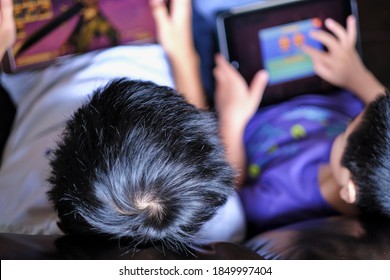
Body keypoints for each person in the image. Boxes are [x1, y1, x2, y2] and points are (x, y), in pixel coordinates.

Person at [0, 0, 246, 250]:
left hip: (38, 67)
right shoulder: (221, 226)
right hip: (153, 45)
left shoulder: (15, 226)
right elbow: (213, 153)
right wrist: (183, 54)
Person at [214, 14, 390, 235]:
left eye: (348, 129)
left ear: (351, 190)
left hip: (245, 107)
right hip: (324, 83)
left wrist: (230, 120)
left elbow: (229, 187)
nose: (351, 121)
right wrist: (357, 76)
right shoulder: (366, 151)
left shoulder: (273, 204)